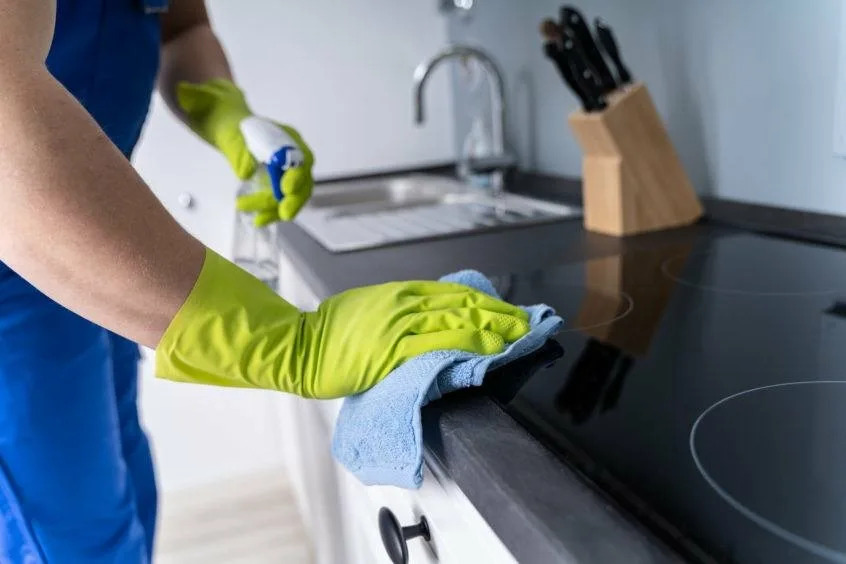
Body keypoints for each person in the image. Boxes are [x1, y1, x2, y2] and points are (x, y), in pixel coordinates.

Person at [0, 1, 530, 562]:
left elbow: (182, 29)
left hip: (88, 248)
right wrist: (284, 341)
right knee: (72, 539)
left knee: (125, 492)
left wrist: (231, 117)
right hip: (18, 271)